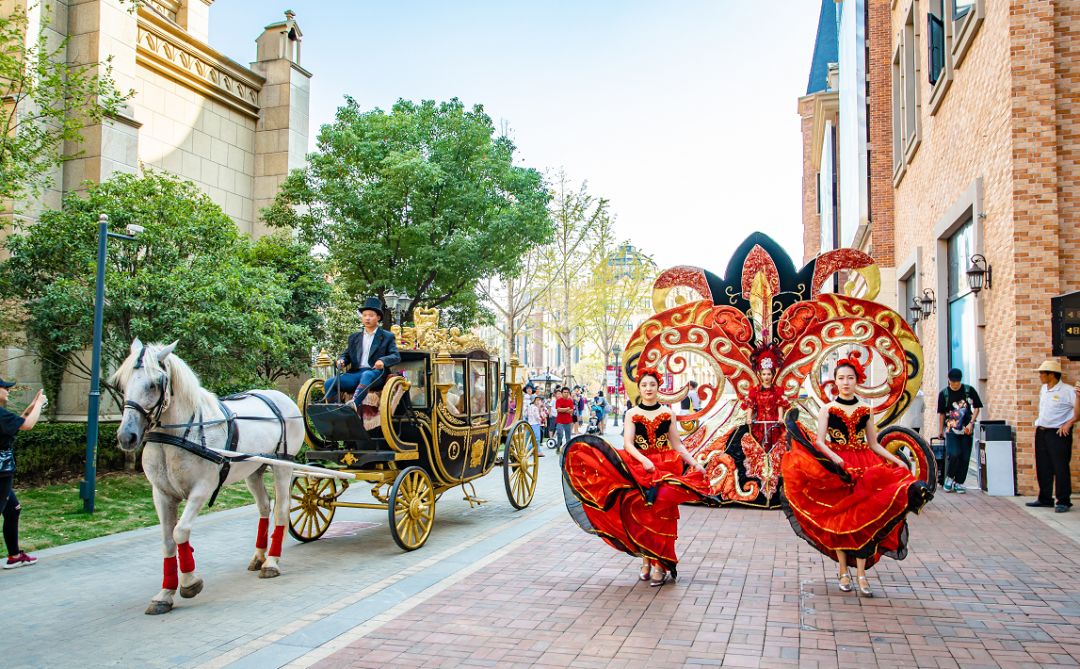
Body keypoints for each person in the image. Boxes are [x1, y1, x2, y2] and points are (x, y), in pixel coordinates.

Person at [781, 358, 932, 597]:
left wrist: (895, 460)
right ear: (835, 381)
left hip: (866, 466)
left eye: (850, 378)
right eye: (841, 378)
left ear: (857, 381)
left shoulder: (865, 409)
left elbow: (874, 443)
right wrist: (835, 458)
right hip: (839, 469)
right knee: (841, 521)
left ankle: (861, 574)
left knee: (865, 519)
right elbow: (820, 441)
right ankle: (843, 570)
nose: (846, 382)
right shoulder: (828, 409)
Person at [562, 369, 713, 586]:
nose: (648, 389)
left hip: (666, 466)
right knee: (642, 515)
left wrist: (695, 463)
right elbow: (628, 444)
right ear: (639, 388)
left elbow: (677, 444)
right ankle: (646, 560)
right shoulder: (632, 413)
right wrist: (643, 460)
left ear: (658, 387)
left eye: (652, 385)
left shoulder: (667, 413)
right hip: (639, 467)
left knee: (663, 514)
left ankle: (661, 564)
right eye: (644, 385)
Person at [0, 380, 47, 569]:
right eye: (5, 388)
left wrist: (33, 405)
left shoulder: (2, 416)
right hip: (1, 474)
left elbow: (18, 423)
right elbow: (27, 425)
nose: (8, 391)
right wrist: (40, 404)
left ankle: (14, 556)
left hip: (3, 472)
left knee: (13, 509)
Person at [325, 297, 401, 409]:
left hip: (376, 374)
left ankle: (352, 406)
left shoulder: (387, 336)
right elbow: (346, 354)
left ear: (378, 317)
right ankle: (336, 410)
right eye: (364, 315)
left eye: (371, 315)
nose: (367, 318)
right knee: (329, 383)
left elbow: (396, 356)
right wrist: (342, 360)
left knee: (367, 374)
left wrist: (382, 361)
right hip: (355, 374)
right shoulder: (354, 337)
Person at [1027, 360, 1078, 512]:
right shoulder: (1044, 389)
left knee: (1060, 467)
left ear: (1052, 375)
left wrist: (1069, 423)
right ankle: (1045, 498)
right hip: (1042, 431)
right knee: (1043, 466)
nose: (1040, 376)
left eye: (1042, 373)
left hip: (1058, 433)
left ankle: (1063, 501)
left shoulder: (1068, 391)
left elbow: (1078, 411)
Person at [936, 368, 982, 494]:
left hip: (967, 429)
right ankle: (950, 477)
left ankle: (959, 482)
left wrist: (971, 423)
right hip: (951, 429)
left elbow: (977, 407)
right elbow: (941, 414)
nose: (955, 384)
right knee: (954, 453)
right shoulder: (944, 394)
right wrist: (940, 430)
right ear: (949, 380)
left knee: (965, 457)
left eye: (957, 382)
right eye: (952, 382)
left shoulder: (969, 390)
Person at [554, 387, 574, 451]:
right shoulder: (558, 400)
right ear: (562, 393)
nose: (566, 393)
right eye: (564, 392)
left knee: (568, 436)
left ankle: (567, 450)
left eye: (567, 392)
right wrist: (567, 409)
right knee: (560, 434)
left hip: (568, 421)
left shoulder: (570, 401)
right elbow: (558, 410)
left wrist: (563, 410)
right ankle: (558, 447)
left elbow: (571, 411)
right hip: (560, 421)